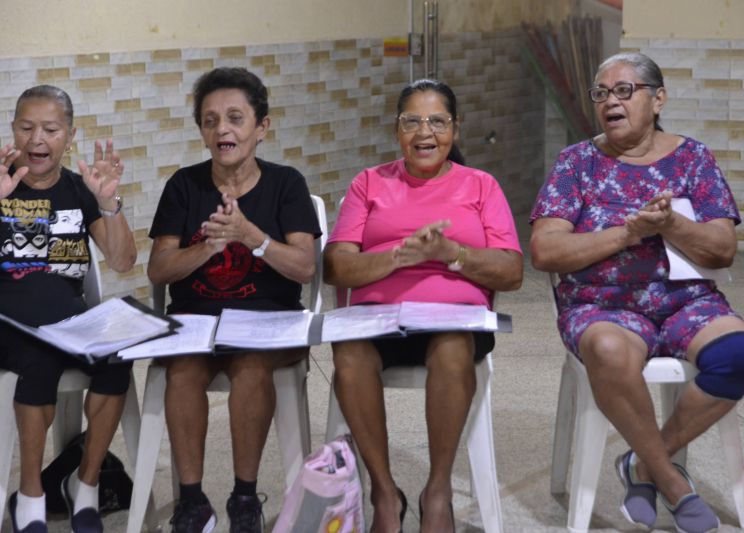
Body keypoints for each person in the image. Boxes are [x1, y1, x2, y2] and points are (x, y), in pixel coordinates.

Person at [530, 52, 744, 533]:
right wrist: (627, 234)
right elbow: (545, 251)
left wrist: (671, 223)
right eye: (601, 93)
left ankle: (641, 465)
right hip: (602, 304)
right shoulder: (577, 163)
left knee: (740, 352)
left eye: (623, 90)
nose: (610, 102)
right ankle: (674, 484)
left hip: (688, 302)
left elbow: (722, 250)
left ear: (657, 100)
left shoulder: (694, 159)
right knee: (610, 350)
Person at [324, 79, 523, 533]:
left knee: (453, 350)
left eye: (437, 121)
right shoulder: (368, 183)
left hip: (455, 320)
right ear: (397, 130)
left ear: (455, 129)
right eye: (411, 121)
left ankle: (437, 491)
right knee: (349, 356)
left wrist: (449, 253)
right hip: (377, 318)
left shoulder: (481, 185)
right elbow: (335, 265)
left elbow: (512, 272)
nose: (424, 132)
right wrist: (396, 257)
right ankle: (383, 491)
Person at [147, 67, 320, 533]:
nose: (222, 129)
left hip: (269, 325)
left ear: (261, 127)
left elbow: (305, 266)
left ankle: (245, 498)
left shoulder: (286, 184)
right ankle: (191, 501)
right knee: (180, 374)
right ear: (201, 131)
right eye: (210, 120)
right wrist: (207, 247)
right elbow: (158, 269)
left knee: (251, 370)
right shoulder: (184, 186)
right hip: (196, 324)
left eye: (235, 118)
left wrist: (251, 236)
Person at [0, 85, 137, 533]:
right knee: (39, 360)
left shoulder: (80, 190)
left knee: (117, 361)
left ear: (69, 136)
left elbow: (121, 261)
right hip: (9, 324)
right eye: (26, 127)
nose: (37, 139)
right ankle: (31, 494)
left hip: (69, 322)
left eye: (51, 129)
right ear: (13, 130)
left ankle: (87, 484)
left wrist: (108, 204)